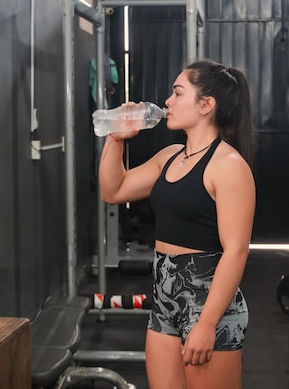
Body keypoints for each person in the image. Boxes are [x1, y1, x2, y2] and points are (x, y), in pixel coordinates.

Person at [98, 59, 256, 389]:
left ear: (206, 105)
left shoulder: (228, 165)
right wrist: (116, 138)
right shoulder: (169, 156)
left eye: (177, 92)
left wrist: (207, 323)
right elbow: (113, 190)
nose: (167, 101)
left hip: (209, 307)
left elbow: (236, 251)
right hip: (164, 304)